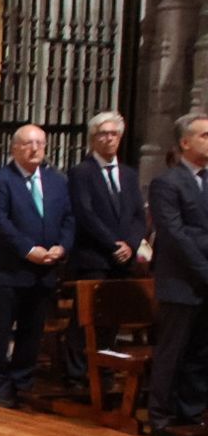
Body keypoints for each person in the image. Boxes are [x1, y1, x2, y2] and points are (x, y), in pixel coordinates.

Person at [0, 124, 74, 409]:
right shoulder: (0, 180)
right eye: (27, 143)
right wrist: (29, 250)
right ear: (14, 148)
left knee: (32, 330)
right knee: (1, 329)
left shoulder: (56, 180)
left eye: (40, 144)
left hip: (44, 269)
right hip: (8, 270)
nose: (35, 149)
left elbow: (69, 217)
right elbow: (0, 222)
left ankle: (23, 380)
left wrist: (62, 247)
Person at [65, 111, 147, 380]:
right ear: (92, 138)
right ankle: (79, 374)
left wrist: (131, 245)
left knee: (112, 318)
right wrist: (113, 244)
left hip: (122, 260)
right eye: (103, 133)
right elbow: (85, 214)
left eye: (114, 134)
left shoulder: (129, 174)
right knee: (86, 319)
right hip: (94, 258)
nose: (109, 138)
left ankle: (106, 370)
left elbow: (138, 215)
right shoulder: (81, 172)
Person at [146, 113, 208, 436]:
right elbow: (175, 234)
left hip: (204, 282)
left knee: (201, 353)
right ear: (186, 142)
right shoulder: (167, 183)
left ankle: (191, 411)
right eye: (205, 135)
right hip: (181, 282)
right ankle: (161, 416)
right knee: (173, 350)